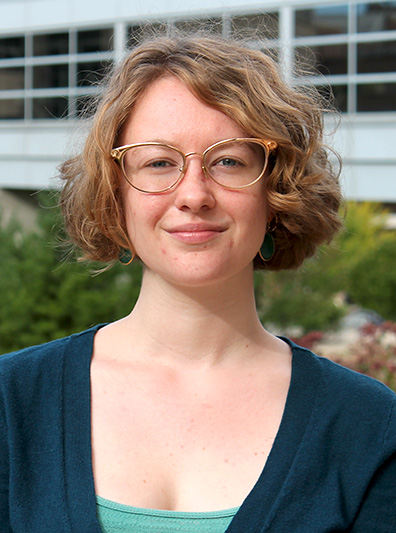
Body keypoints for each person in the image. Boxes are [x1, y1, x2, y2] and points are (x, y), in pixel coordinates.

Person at [1, 33, 395, 533]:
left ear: (276, 192)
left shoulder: (369, 425)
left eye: (229, 161)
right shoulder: (11, 403)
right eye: (158, 161)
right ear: (115, 194)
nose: (193, 194)